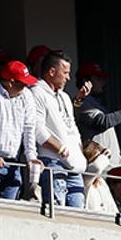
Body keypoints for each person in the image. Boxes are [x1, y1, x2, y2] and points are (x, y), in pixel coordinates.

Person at [0, 60, 42, 200]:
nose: (25, 87)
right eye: (23, 83)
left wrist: (31, 157)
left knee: (11, 208)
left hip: (13, 162)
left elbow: (29, 128)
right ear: (11, 82)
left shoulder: (26, 95)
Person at [31, 51, 87, 208]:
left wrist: (79, 151)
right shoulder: (36, 93)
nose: (68, 78)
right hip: (53, 161)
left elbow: (72, 127)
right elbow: (37, 129)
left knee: (78, 211)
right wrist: (61, 149)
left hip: (74, 164)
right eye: (66, 73)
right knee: (57, 209)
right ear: (51, 72)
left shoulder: (65, 97)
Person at [74, 61, 121, 170]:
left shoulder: (96, 103)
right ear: (86, 81)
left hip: (112, 167)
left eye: (103, 79)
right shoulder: (82, 102)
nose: (103, 82)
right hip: (99, 167)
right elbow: (102, 122)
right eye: (98, 78)